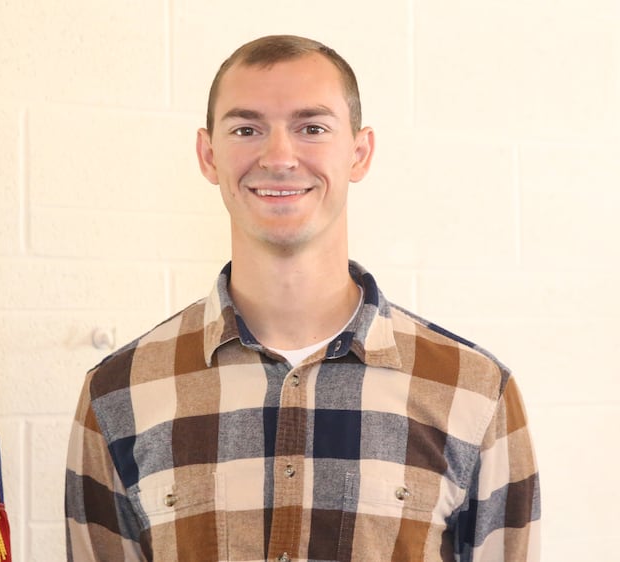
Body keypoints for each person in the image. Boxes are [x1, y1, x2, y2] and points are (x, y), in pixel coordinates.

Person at [65, 35, 540, 561]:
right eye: (247, 129)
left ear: (359, 153)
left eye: (311, 128)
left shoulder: (473, 393)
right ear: (208, 155)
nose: (279, 156)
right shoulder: (119, 394)